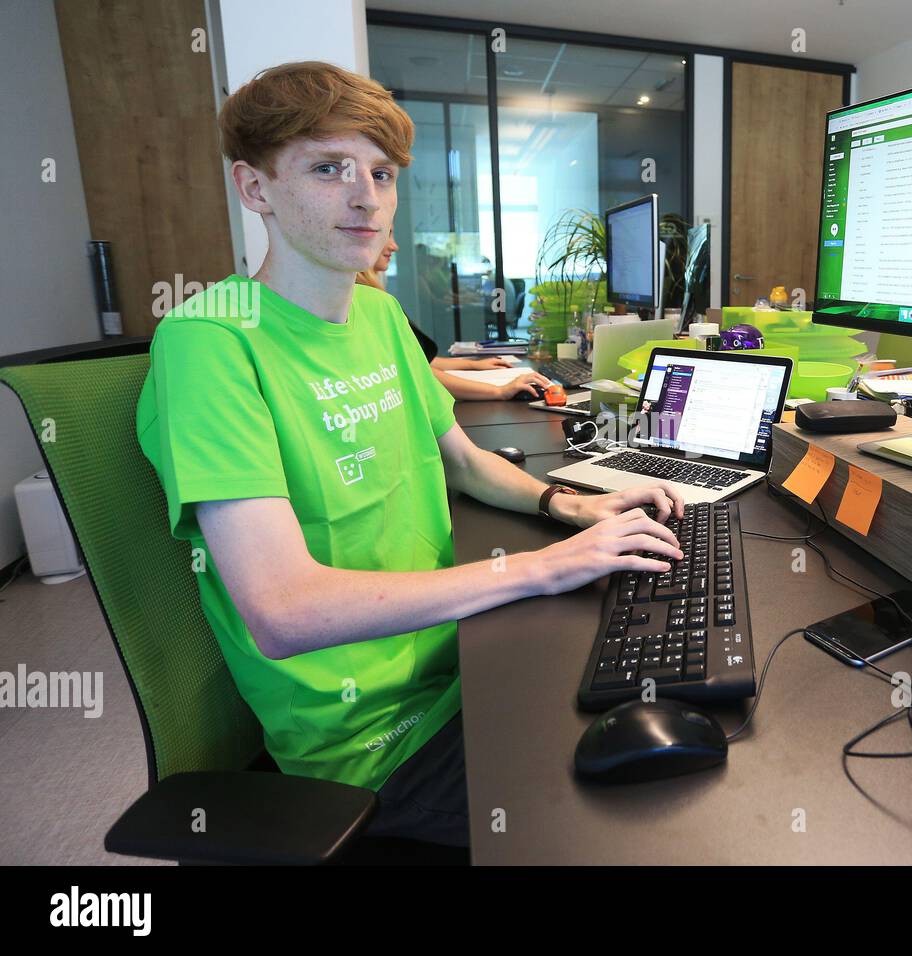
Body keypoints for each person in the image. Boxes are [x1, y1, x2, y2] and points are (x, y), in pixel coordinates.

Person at [135, 61, 683, 849]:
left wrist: (567, 507)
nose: (367, 196)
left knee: (685, 699)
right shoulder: (209, 345)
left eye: (381, 173)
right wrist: (543, 568)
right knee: (642, 827)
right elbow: (282, 612)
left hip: (468, 660)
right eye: (329, 168)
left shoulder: (380, 315)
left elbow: (460, 460)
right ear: (255, 189)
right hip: (377, 746)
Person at [357, 232, 549, 401]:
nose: (394, 245)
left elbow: (419, 361)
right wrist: (499, 391)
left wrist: (473, 365)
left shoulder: (377, 297)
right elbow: (418, 370)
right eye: (387, 234)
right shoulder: (366, 300)